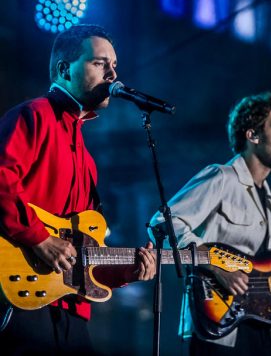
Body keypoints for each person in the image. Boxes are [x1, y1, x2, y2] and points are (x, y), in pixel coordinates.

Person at [0, 24, 156, 355]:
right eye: (101, 63)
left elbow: (84, 252)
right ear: (63, 69)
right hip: (22, 300)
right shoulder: (35, 115)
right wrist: (39, 237)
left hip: (71, 310)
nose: (113, 74)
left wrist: (128, 270)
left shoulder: (86, 157)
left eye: (114, 65)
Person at [150, 91, 271, 356]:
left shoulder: (269, 202)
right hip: (218, 330)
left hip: (260, 333)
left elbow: (262, 284)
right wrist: (216, 265)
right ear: (252, 136)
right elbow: (163, 224)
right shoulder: (222, 177)